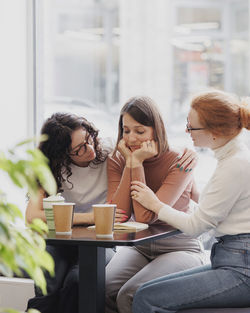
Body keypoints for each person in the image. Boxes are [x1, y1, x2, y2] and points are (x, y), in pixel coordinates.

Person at [132, 90, 250, 313]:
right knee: (144, 291)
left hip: (241, 269)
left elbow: (196, 227)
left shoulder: (234, 165)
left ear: (214, 132)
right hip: (232, 259)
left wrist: (154, 203)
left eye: (192, 126)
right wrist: (189, 186)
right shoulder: (235, 157)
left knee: (147, 298)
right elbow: (221, 206)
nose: (187, 131)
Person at [105, 96, 207, 313]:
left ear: (156, 130)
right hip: (139, 247)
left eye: (140, 131)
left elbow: (145, 217)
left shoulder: (180, 160)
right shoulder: (118, 158)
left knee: (130, 295)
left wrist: (137, 163)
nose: (131, 138)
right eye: (126, 130)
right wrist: (131, 163)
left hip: (180, 248)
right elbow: (119, 215)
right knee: (104, 287)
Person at [26, 112, 115, 313]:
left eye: (89, 138)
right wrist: (91, 218)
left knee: (77, 280)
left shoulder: (109, 148)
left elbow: (154, 143)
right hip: (63, 239)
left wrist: (185, 153)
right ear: (62, 154)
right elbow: (32, 217)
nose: (90, 148)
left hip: (101, 239)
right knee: (48, 278)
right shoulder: (50, 165)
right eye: (79, 149)